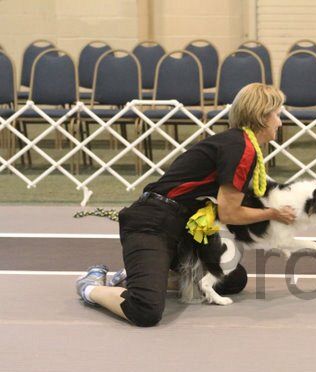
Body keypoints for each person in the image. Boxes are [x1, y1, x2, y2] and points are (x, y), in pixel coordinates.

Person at [75, 83, 296, 327]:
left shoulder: (242, 146)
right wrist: (274, 214)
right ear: (262, 116)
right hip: (150, 223)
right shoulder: (241, 148)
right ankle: (91, 287)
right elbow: (229, 212)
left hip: (181, 229)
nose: (280, 122)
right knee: (145, 310)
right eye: (277, 114)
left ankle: (135, 275)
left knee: (233, 279)